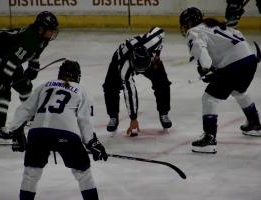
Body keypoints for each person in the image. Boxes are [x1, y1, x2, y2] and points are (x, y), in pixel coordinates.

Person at [9, 59, 108, 200]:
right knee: (83, 173)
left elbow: (24, 109)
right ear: (77, 76)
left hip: (38, 133)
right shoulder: (80, 90)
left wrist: (16, 131)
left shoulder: (44, 86)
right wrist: (92, 142)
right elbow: (84, 120)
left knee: (31, 174)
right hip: (66, 134)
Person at [179, 7, 261, 154]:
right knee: (238, 91)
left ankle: (209, 139)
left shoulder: (194, 31)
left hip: (234, 65)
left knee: (209, 98)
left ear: (189, 23)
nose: (184, 29)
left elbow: (199, 48)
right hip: (250, 61)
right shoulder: (216, 25)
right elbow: (238, 37)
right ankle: (255, 123)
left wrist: (206, 68)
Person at [0, 11, 59, 145]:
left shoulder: (41, 38)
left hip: (9, 55)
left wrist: (34, 66)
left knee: (25, 86)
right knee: (3, 92)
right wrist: (5, 82)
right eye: (50, 30)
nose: (52, 33)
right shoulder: (29, 40)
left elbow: (34, 52)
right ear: (41, 29)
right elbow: (10, 62)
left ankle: (28, 116)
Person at [102, 27, 172, 136]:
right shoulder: (125, 68)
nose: (141, 72)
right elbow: (130, 93)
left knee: (162, 83)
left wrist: (157, 53)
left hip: (150, 60)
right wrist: (133, 118)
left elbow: (159, 30)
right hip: (120, 59)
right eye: (138, 69)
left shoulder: (152, 41)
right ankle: (113, 116)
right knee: (110, 86)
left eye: (143, 68)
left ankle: (164, 113)